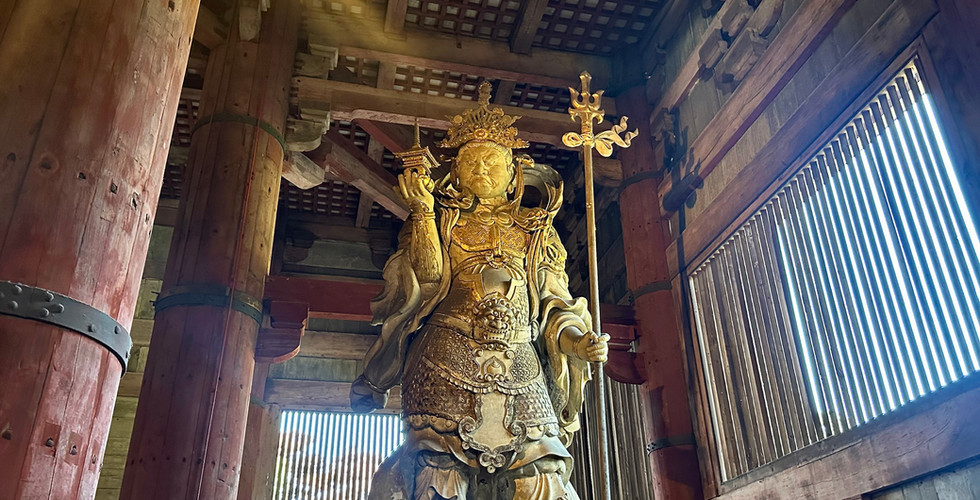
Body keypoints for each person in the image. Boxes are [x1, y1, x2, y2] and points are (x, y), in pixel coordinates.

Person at [350, 82, 608, 500]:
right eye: (471, 163)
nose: (482, 170)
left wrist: (579, 342)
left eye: (492, 162)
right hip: (445, 353)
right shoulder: (441, 220)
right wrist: (423, 211)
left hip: (521, 358)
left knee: (542, 470)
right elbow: (427, 280)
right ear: (456, 173)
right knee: (438, 468)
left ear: (513, 173)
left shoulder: (536, 231)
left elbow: (555, 304)